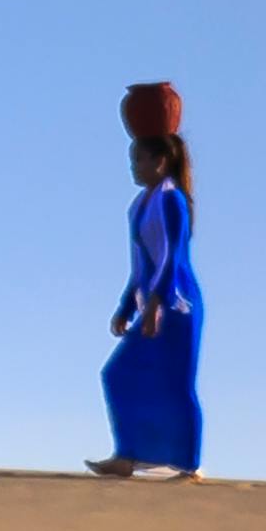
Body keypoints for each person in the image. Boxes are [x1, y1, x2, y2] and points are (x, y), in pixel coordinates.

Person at [93, 78, 202, 480]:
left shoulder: (173, 199)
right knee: (120, 374)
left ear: (160, 161)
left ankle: (189, 465)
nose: (133, 168)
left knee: (176, 383)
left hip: (178, 303)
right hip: (156, 301)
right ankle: (128, 454)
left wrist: (156, 303)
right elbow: (141, 266)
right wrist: (126, 305)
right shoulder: (140, 204)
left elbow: (173, 257)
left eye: (138, 160)